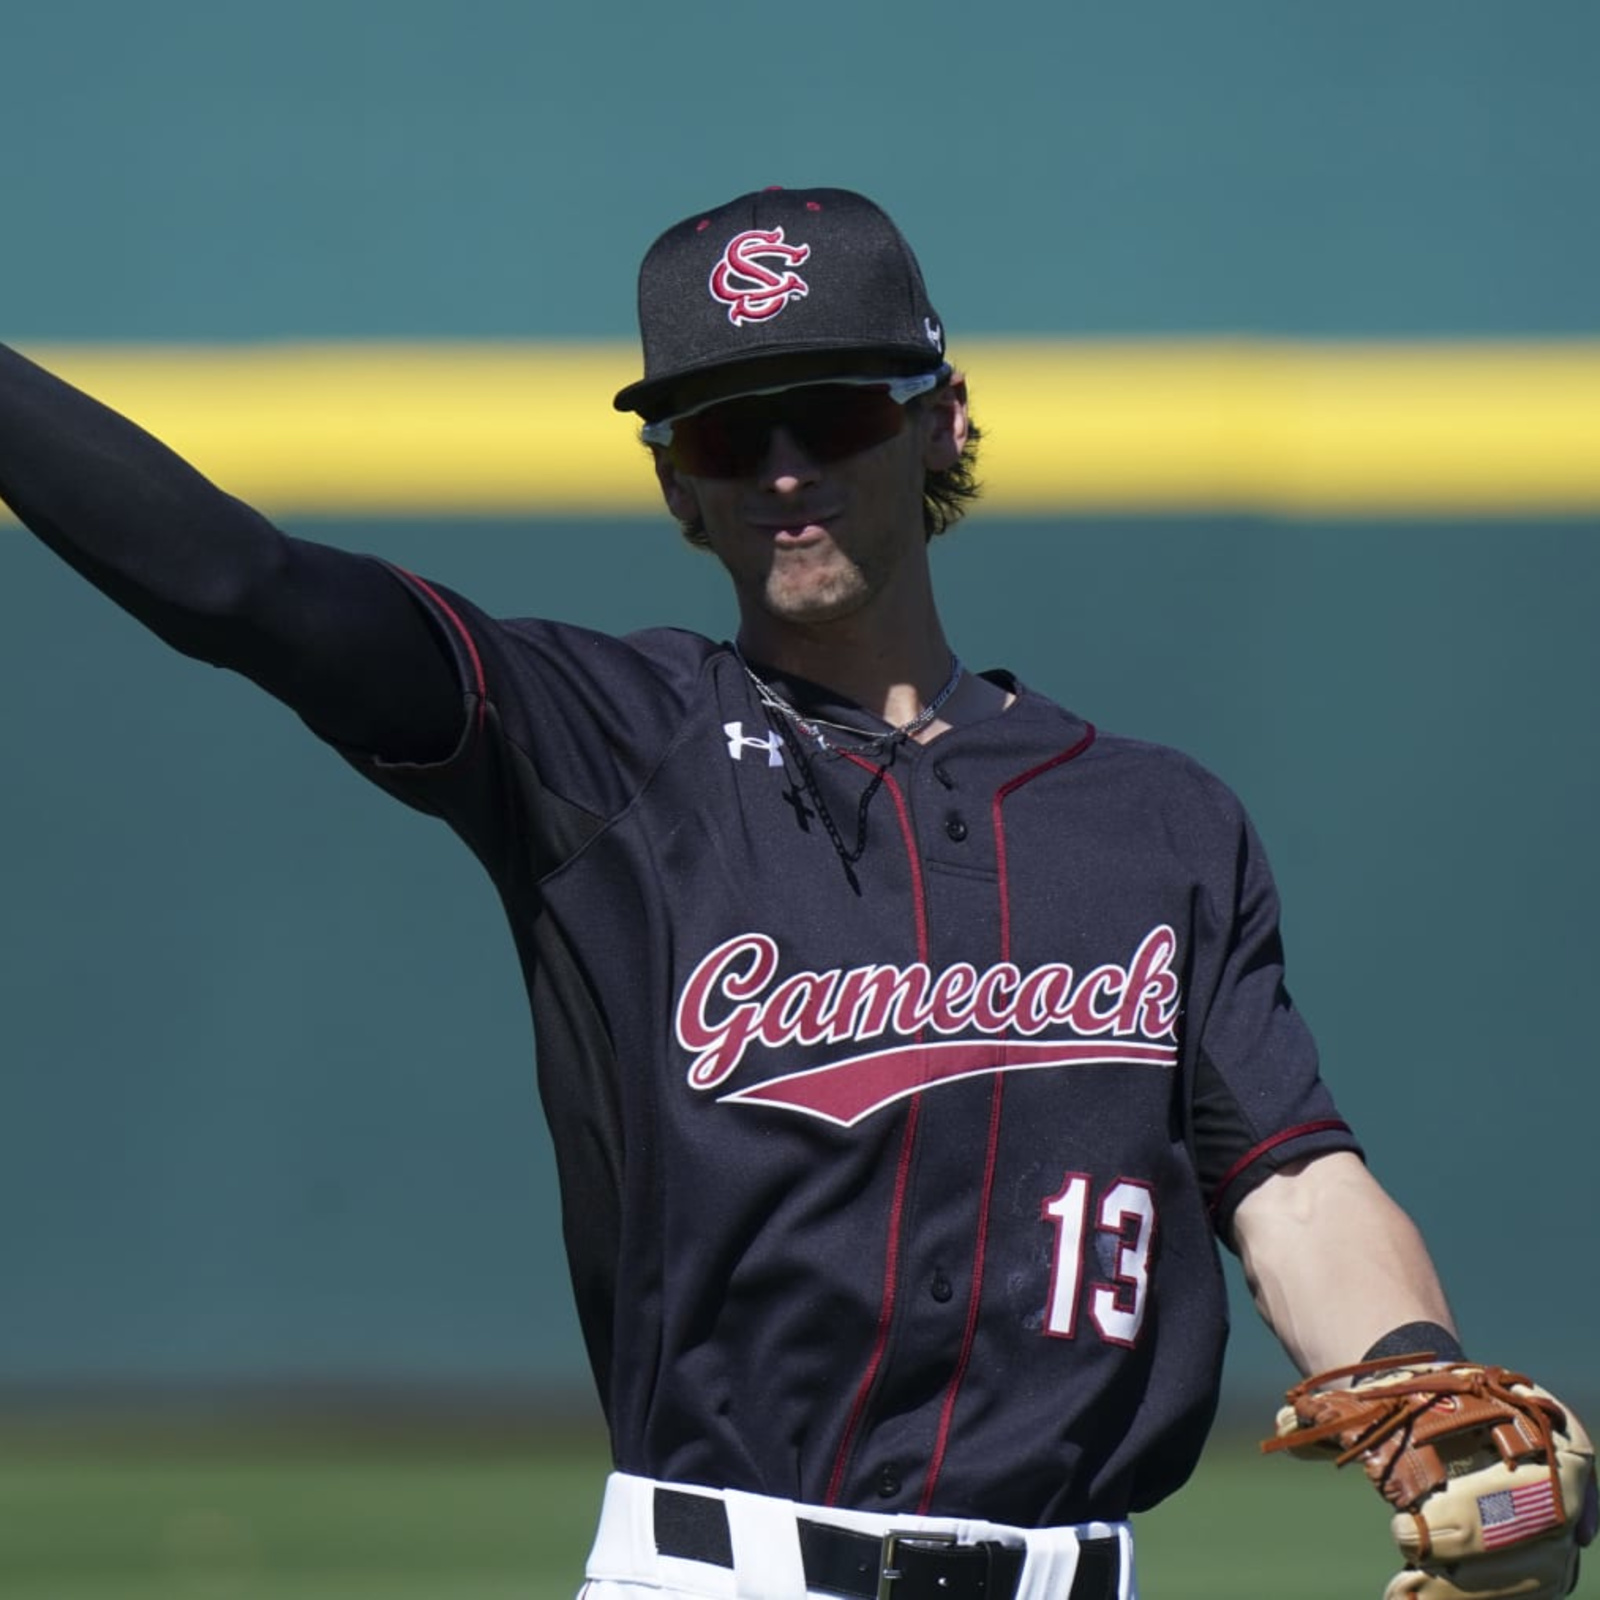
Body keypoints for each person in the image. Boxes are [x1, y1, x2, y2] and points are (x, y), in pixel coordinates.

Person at [1, 186, 1592, 1600]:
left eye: (826, 412)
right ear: (672, 485)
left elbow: (1292, 1177)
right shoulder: (599, 748)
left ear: (941, 420)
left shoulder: (1158, 820)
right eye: (716, 432)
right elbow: (241, 586)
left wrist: (1420, 1381)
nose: (778, 472)